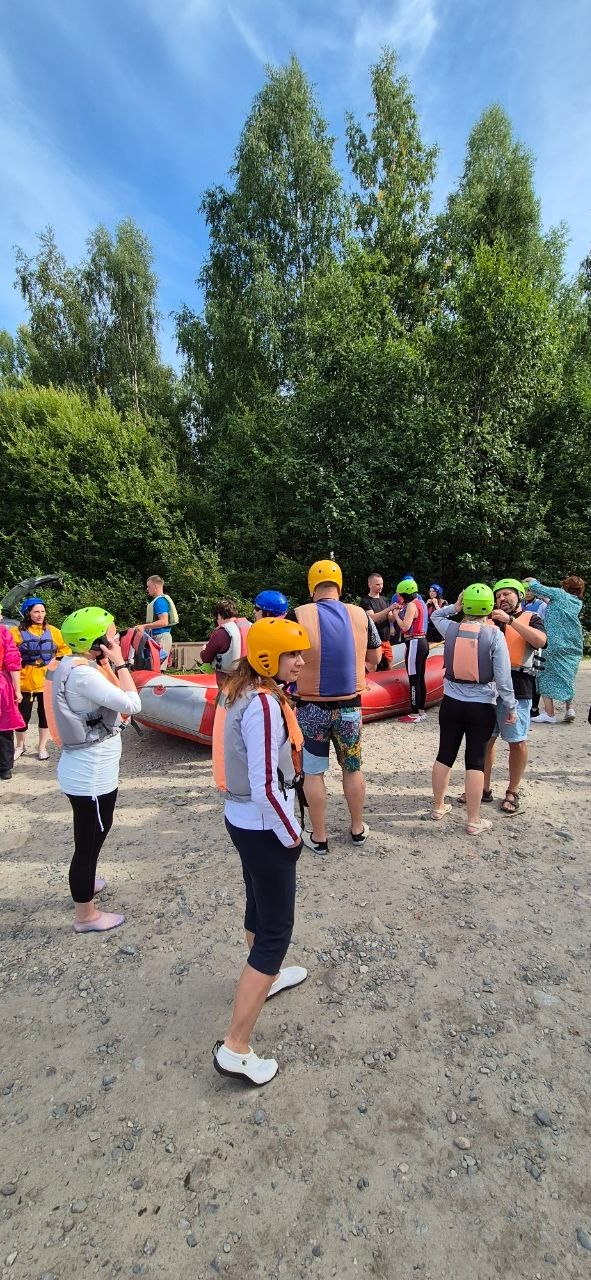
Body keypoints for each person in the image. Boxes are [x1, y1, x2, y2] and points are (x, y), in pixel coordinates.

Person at [211, 616, 311, 1086]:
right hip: (264, 825)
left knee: (257, 904)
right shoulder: (265, 705)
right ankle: (235, 1046)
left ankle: (267, 978)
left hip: (242, 821)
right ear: (269, 657)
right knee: (276, 931)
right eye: (293, 654)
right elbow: (265, 785)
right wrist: (293, 835)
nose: (301, 661)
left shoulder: (240, 689)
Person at [44, 607, 141, 933]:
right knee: (89, 841)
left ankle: (86, 882)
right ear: (96, 641)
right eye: (112, 634)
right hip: (91, 774)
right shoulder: (84, 676)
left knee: (91, 833)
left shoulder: (72, 665)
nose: (117, 637)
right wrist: (121, 662)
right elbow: (133, 704)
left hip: (85, 770)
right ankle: (85, 916)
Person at [292, 559, 382, 854]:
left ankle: (319, 837)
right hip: (350, 708)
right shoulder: (361, 615)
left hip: (310, 709)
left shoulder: (297, 615)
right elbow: (375, 657)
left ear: (312, 586)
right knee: (352, 769)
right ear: (339, 585)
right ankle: (357, 829)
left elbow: (285, 660)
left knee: (313, 773)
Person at [430, 585, 517, 836]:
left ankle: (438, 807)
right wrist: (511, 706)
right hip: (481, 706)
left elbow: (435, 615)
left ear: (464, 603)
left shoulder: (451, 628)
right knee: (475, 761)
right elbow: (503, 678)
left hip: (451, 703)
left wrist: (454, 607)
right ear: (489, 607)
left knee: (444, 754)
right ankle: (473, 820)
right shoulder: (494, 635)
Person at [477, 579, 547, 815]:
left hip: (519, 686)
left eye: (507, 594)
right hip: (488, 688)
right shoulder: (488, 620)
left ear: (519, 595)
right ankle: (483, 788)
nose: (502, 599)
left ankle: (512, 791)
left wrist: (511, 621)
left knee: (517, 741)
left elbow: (540, 641)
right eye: (498, 596)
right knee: (486, 739)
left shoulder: (531, 618)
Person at [11, 596, 70, 761]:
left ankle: (42, 747)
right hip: (24, 681)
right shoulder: (16, 632)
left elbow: (65, 649)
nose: (40, 615)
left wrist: (56, 662)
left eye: (42, 611)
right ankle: (20, 746)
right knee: (22, 716)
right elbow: (9, 653)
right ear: (28, 613)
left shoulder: (54, 631)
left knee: (45, 716)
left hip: (47, 680)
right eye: (36, 611)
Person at [525, 575, 585, 724]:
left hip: (554, 642)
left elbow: (536, 587)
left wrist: (531, 580)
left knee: (543, 673)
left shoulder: (559, 594)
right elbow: (555, 606)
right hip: (573, 643)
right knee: (567, 674)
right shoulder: (577, 602)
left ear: (565, 586)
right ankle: (569, 709)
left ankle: (549, 713)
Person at [390, 578, 429, 723]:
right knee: (420, 677)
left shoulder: (412, 605)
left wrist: (395, 614)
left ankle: (414, 713)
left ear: (405, 594)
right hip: (422, 642)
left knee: (413, 678)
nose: (399, 597)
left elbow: (405, 627)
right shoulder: (421, 603)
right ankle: (421, 711)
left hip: (415, 643)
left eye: (400, 595)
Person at [200, 601, 252, 688]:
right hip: (249, 678)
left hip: (227, 680)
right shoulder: (251, 626)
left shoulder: (221, 633)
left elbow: (206, 658)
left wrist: (203, 650)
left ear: (219, 616)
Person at [0, 625, 25, 780]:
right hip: (2, 685)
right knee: (4, 727)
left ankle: (4, 766)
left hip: (1, 685)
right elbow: (13, 662)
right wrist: (17, 690)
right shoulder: (4, 632)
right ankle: (4, 767)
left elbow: (13, 662)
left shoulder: (3, 632)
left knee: (4, 726)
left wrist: (17, 690)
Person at [141, 575, 179, 670]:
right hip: (159, 637)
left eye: (149, 586)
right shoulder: (159, 601)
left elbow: (164, 621)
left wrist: (144, 626)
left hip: (161, 638)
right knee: (156, 668)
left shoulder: (160, 602)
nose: (147, 589)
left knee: (158, 669)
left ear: (155, 586)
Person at [360, 573, 393, 670]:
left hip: (386, 640)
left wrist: (398, 611)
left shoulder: (385, 600)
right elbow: (372, 618)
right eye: (377, 584)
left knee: (389, 667)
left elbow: (391, 618)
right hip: (374, 643)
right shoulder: (365, 601)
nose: (381, 586)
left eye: (382, 584)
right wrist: (389, 609)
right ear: (369, 585)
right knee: (373, 668)